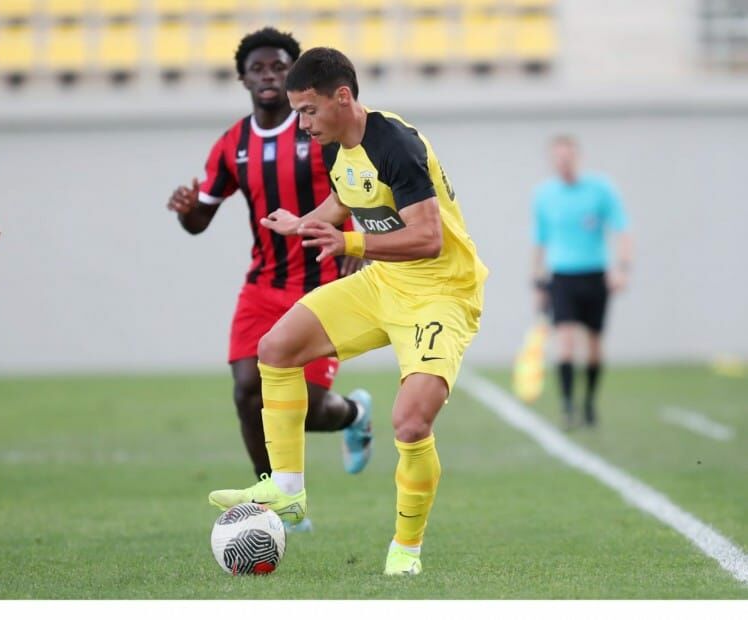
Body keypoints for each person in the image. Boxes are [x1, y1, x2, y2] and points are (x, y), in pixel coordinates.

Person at [208, 47, 487, 576]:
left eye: (308, 110)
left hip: (441, 294)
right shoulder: (336, 144)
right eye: (297, 112)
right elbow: (347, 197)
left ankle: (405, 550)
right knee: (276, 348)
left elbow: (427, 238)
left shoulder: (395, 144)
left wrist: (350, 243)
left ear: (342, 97)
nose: (302, 123)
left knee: (411, 423)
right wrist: (303, 222)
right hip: (385, 283)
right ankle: (288, 490)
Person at [166, 29, 373, 533]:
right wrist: (188, 210)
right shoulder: (232, 144)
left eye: (279, 67)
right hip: (263, 284)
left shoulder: (319, 131)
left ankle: (353, 414)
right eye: (257, 68)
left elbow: (360, 188)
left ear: (294, 76)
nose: (268, 76)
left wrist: (357, 243)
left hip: (322, 282)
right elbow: (199, 221)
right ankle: (275, 501)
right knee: (246, 392)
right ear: (243, 78)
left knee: (307, 408)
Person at [531, 135, 632, 429]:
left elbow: (623, 229)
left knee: (594, 344)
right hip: (561, 276)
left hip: (595, 274)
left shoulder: (600, 189)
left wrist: (622, 268)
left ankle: (589, 402)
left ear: (578, 157)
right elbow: (539, 241)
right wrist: (538, 282)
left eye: (568, 157)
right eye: (558, 158)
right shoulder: (544, 195)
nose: (564, 163)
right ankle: (567, 405)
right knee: (564, 342)